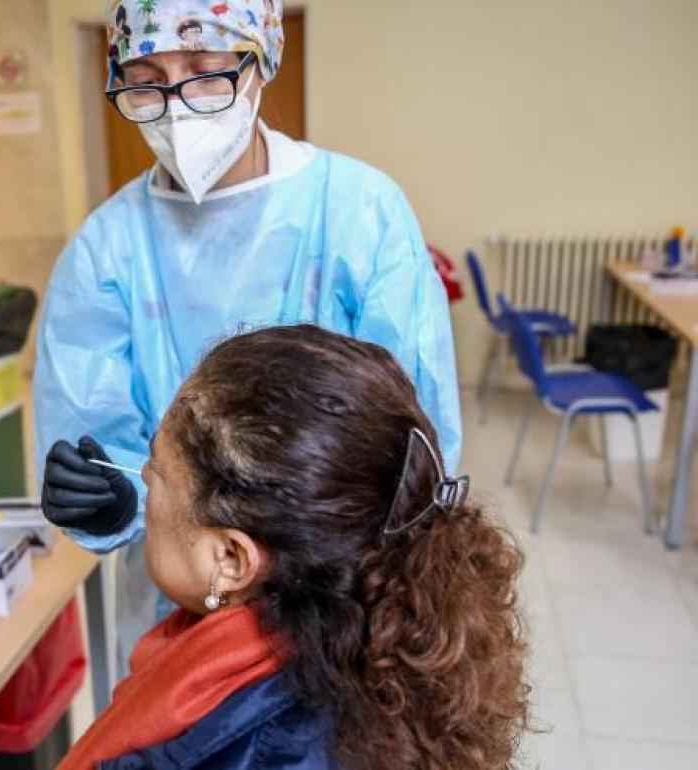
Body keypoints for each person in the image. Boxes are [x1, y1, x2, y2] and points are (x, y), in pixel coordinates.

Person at [36, 0, 463, 672]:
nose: (176, 106)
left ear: (261, 62)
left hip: (344, 595)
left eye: (206, 72)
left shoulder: (358, 213)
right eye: (146, 78)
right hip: (181, 605)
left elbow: (416, 439)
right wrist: (108, 499)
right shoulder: (107, 249)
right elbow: (97, 438)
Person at [57, 325, 528, 770]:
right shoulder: (375, 656)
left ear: (231, 559)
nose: (139, 477)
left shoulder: (232, 747)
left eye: (155, 474)